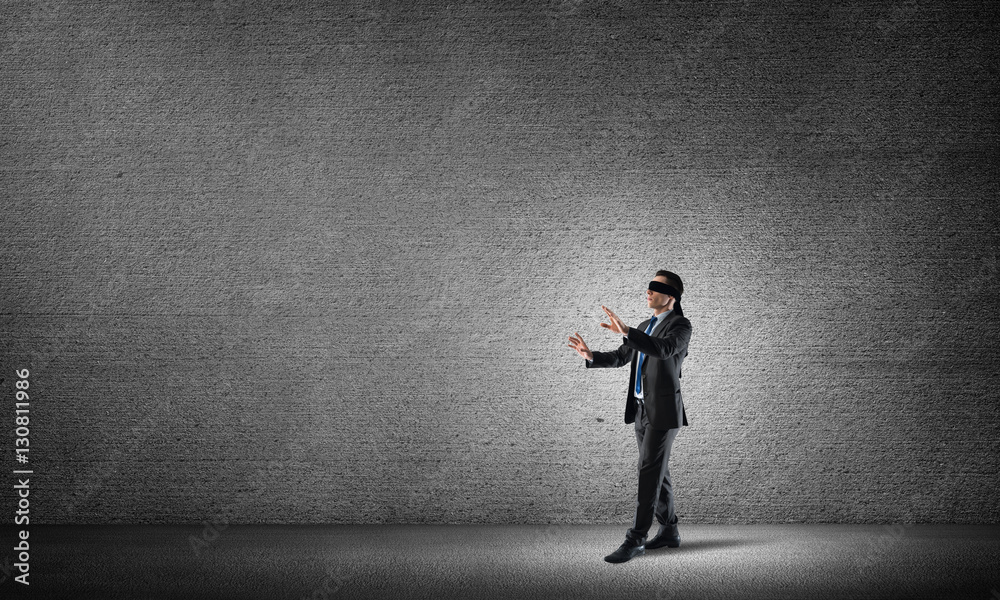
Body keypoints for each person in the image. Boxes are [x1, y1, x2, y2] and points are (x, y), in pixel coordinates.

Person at [567, 270, 691, 563]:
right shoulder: (643, 325)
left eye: (656, 287)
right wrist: (592, 356)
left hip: (663, 414)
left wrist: (626, 332)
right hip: (640, 411)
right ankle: (670, 531)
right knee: (656, 473)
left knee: (648, 472)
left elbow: (663, 350)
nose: (648, 291)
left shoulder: (680, 326)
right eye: (648, 286)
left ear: (671, 296)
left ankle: (636, 539)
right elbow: (623, 356)